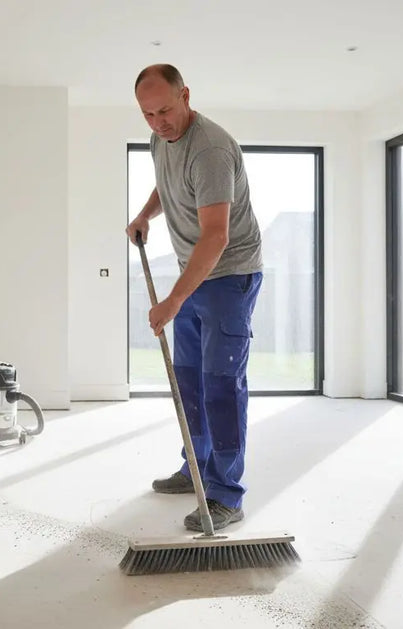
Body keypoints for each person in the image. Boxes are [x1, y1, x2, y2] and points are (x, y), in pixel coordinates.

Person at [126, 64, 263, 532]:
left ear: (185, 95)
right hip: (194, 275)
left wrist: (172, 301)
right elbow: (168, 183)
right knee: (190, 382)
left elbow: (215, 238)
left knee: (221, 386)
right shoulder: (159, 138)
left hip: (227, 275)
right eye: (147, 114)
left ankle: (226, 494)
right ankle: (196, 469)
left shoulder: (210, 149)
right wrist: (146, 213)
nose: (158, 122)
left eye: (165, 109)